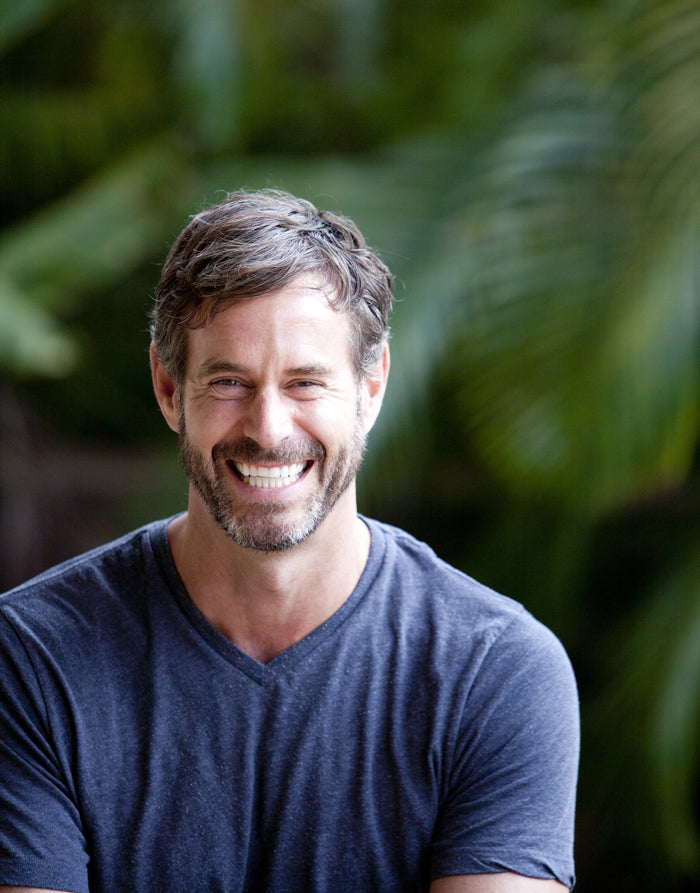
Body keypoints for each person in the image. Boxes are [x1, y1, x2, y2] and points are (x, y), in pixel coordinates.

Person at [0, 189, 579, 893]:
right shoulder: (33, 658)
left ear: (371, 387)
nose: (269, 427)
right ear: (167, 386)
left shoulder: (495, 671)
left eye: (306, 381)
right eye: (229, 381)